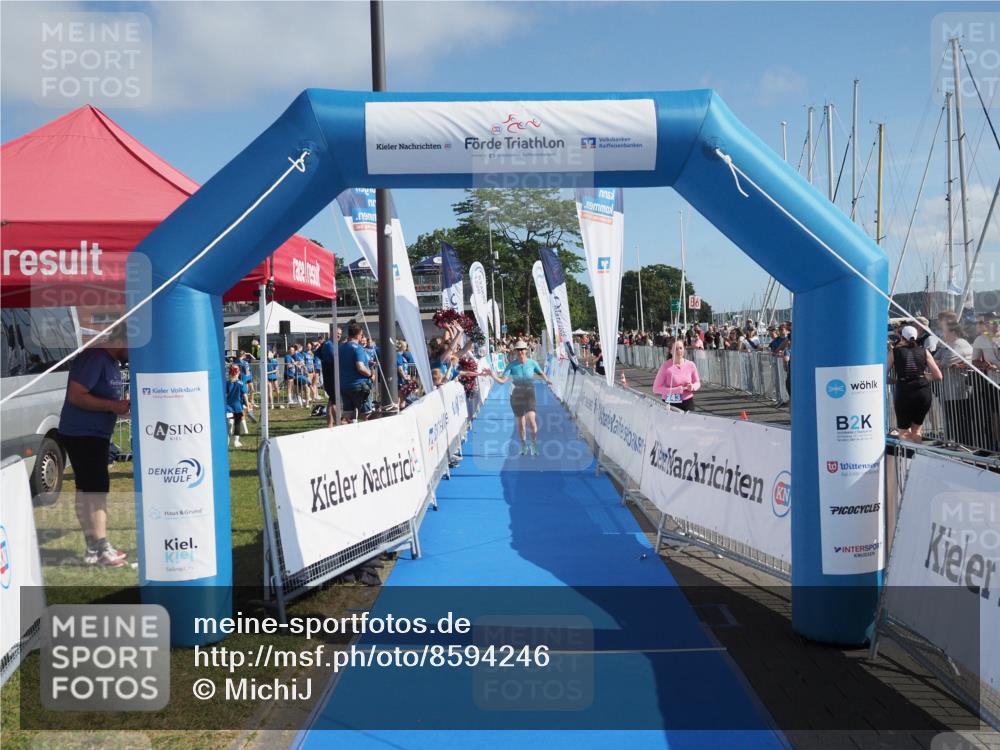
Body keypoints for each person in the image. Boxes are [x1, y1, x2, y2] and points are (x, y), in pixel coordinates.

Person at [58, 327, 130, 567]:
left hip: (92, 434)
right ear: (121, 340)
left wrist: (117, 407)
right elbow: (77, 395)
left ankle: (92, 548)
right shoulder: (95, 357)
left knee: (86, 489)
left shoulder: (110, 362)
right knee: (96, 491)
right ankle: (102, 549)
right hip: (83, 433)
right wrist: (113, 405)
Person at [485, 340, 551, 455]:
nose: (520, 352)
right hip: (516, 395)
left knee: (532, 421)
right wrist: (492, 375)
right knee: (521, 423)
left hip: (529, 394)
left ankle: (534, 444)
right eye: (518, 350)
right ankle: (524, 445)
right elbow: (502, 381)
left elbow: (541, 373)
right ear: (515, 351)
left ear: (526, 350)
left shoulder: (532, 363)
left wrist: (547, 380)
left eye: (522, 349)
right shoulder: (511, 365)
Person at [888, 324, 942, 442]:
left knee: (904, 431)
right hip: (922, 392)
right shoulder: (924, 351)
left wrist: (894, 381)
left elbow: (883, 374)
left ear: (902, 337)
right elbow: (938, 376)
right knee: (917, 430)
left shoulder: (895, 351)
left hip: (904, 391)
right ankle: (916, 457)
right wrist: (923, 377)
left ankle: (907, 458)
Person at [652, 339, 701, 412]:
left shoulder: (691, 365)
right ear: (670, 351)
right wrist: (676, 390)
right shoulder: (665, 366)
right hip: (671, 402)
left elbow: (697, 383)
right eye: (676, 349)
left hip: (687, 401)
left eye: (681, 348)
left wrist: (693, 387)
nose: (679, 351)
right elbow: (656, 389)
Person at [339, 323, 374, 422]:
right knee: (368, 416)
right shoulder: (358, 348)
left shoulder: (341, 348)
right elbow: (360, 367)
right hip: (359, 386)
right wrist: (371, 374)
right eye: (361, 335)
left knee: (348, 417)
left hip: (345, 385)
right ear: (358, 335)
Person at [316, 327, 341, 428]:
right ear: (332, 333)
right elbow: (337, 360)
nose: (338, 335)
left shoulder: (330, 344)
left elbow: (317, 353)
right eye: (337, 333)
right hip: (331, 378)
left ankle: (330, 425)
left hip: (331, 377)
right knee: (334, 401)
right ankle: (338, 423)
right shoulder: (329, 345)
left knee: (331, 402)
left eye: (340, 333)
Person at [224, 363, 249, 448]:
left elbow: (225, 395)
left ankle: (226, 441)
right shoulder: (241, 383)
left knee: (229, 423)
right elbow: (245, 395)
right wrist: (248, 405)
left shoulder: (227, 383)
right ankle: (236, 442)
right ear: (238, 372)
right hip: (238, 407)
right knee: (237, 424)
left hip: (228, 407)